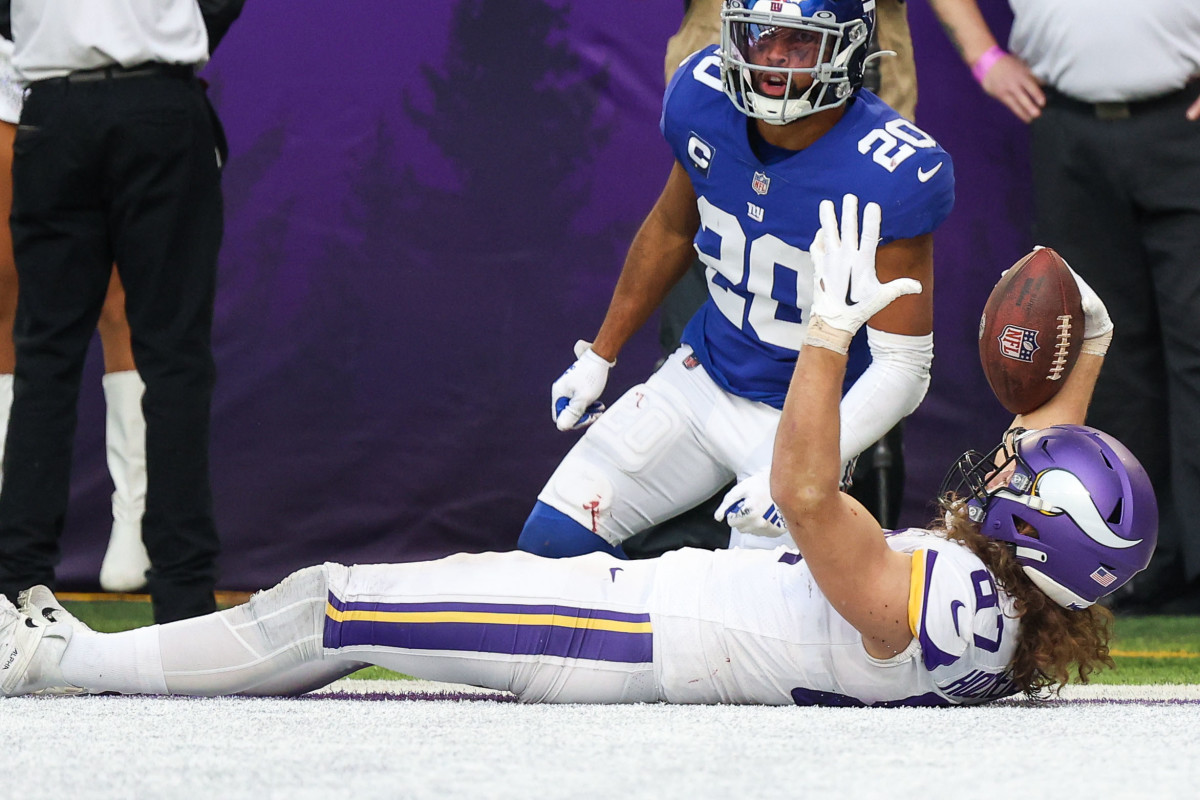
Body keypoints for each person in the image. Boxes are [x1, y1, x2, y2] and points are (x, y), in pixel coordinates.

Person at [0, 198, 1157, 705]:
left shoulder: (943, 599)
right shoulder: (1021, 608)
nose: (999, 463)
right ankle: (74, 657)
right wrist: (1087, 337)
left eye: (1017, 480)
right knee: (341, 609)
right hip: (651, 616)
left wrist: (824, 333)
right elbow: (1052, 455)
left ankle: (60, 665)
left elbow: (807, 493)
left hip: (619, 631)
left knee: (333, 606)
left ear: (1034, 526)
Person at [519, 0, 954, 559]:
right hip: (702, 374)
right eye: (760, 35)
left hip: (807, 414)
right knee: (551, 541)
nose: (773, 56)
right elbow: (672, 228)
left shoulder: (891, 172)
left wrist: (805, 464)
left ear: (847, 49)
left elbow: (904, 365)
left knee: (750, 605)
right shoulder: (704, 102)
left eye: (800, 41)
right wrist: (600, 354)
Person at [927, 0, 1200, 612]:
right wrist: (984, 56)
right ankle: (1132, 565)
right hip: (1068, 123)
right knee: (1098, 352)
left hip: (1184, 118)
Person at [627, 0, 922, 559]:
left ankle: (833, 552)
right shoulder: (704, 95)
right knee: (709, 326)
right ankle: (678, 556)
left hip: (854, 75)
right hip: (734, 74)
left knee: (861, 343)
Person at [0, 0, 246, 623]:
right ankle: (183, 603)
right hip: (155, 103)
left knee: (46, 358)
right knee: (174, 357)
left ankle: (17, 597)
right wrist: (167, 31)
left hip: (55, 109)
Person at [0, 37, 151, 594]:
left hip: (110, 70)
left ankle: (136, 518)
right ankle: (8, 517)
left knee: (118, 298)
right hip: (13, 78)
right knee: (6, 297)